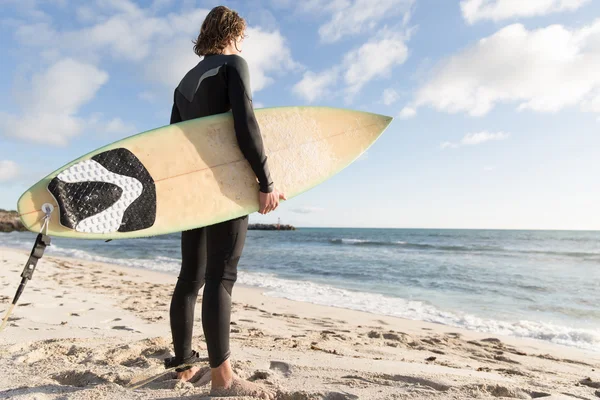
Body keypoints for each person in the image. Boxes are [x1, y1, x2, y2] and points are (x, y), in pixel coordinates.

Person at [167, 5, 285, 398]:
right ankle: (223, 379)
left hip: (194, 190)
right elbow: (245, 122)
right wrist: (266, 180)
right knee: (222, 277)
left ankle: (184, 365)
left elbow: (173, 144)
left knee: (190, 278)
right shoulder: (234, 64)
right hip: (225, 188)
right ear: (234, 32)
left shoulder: (184, 83)